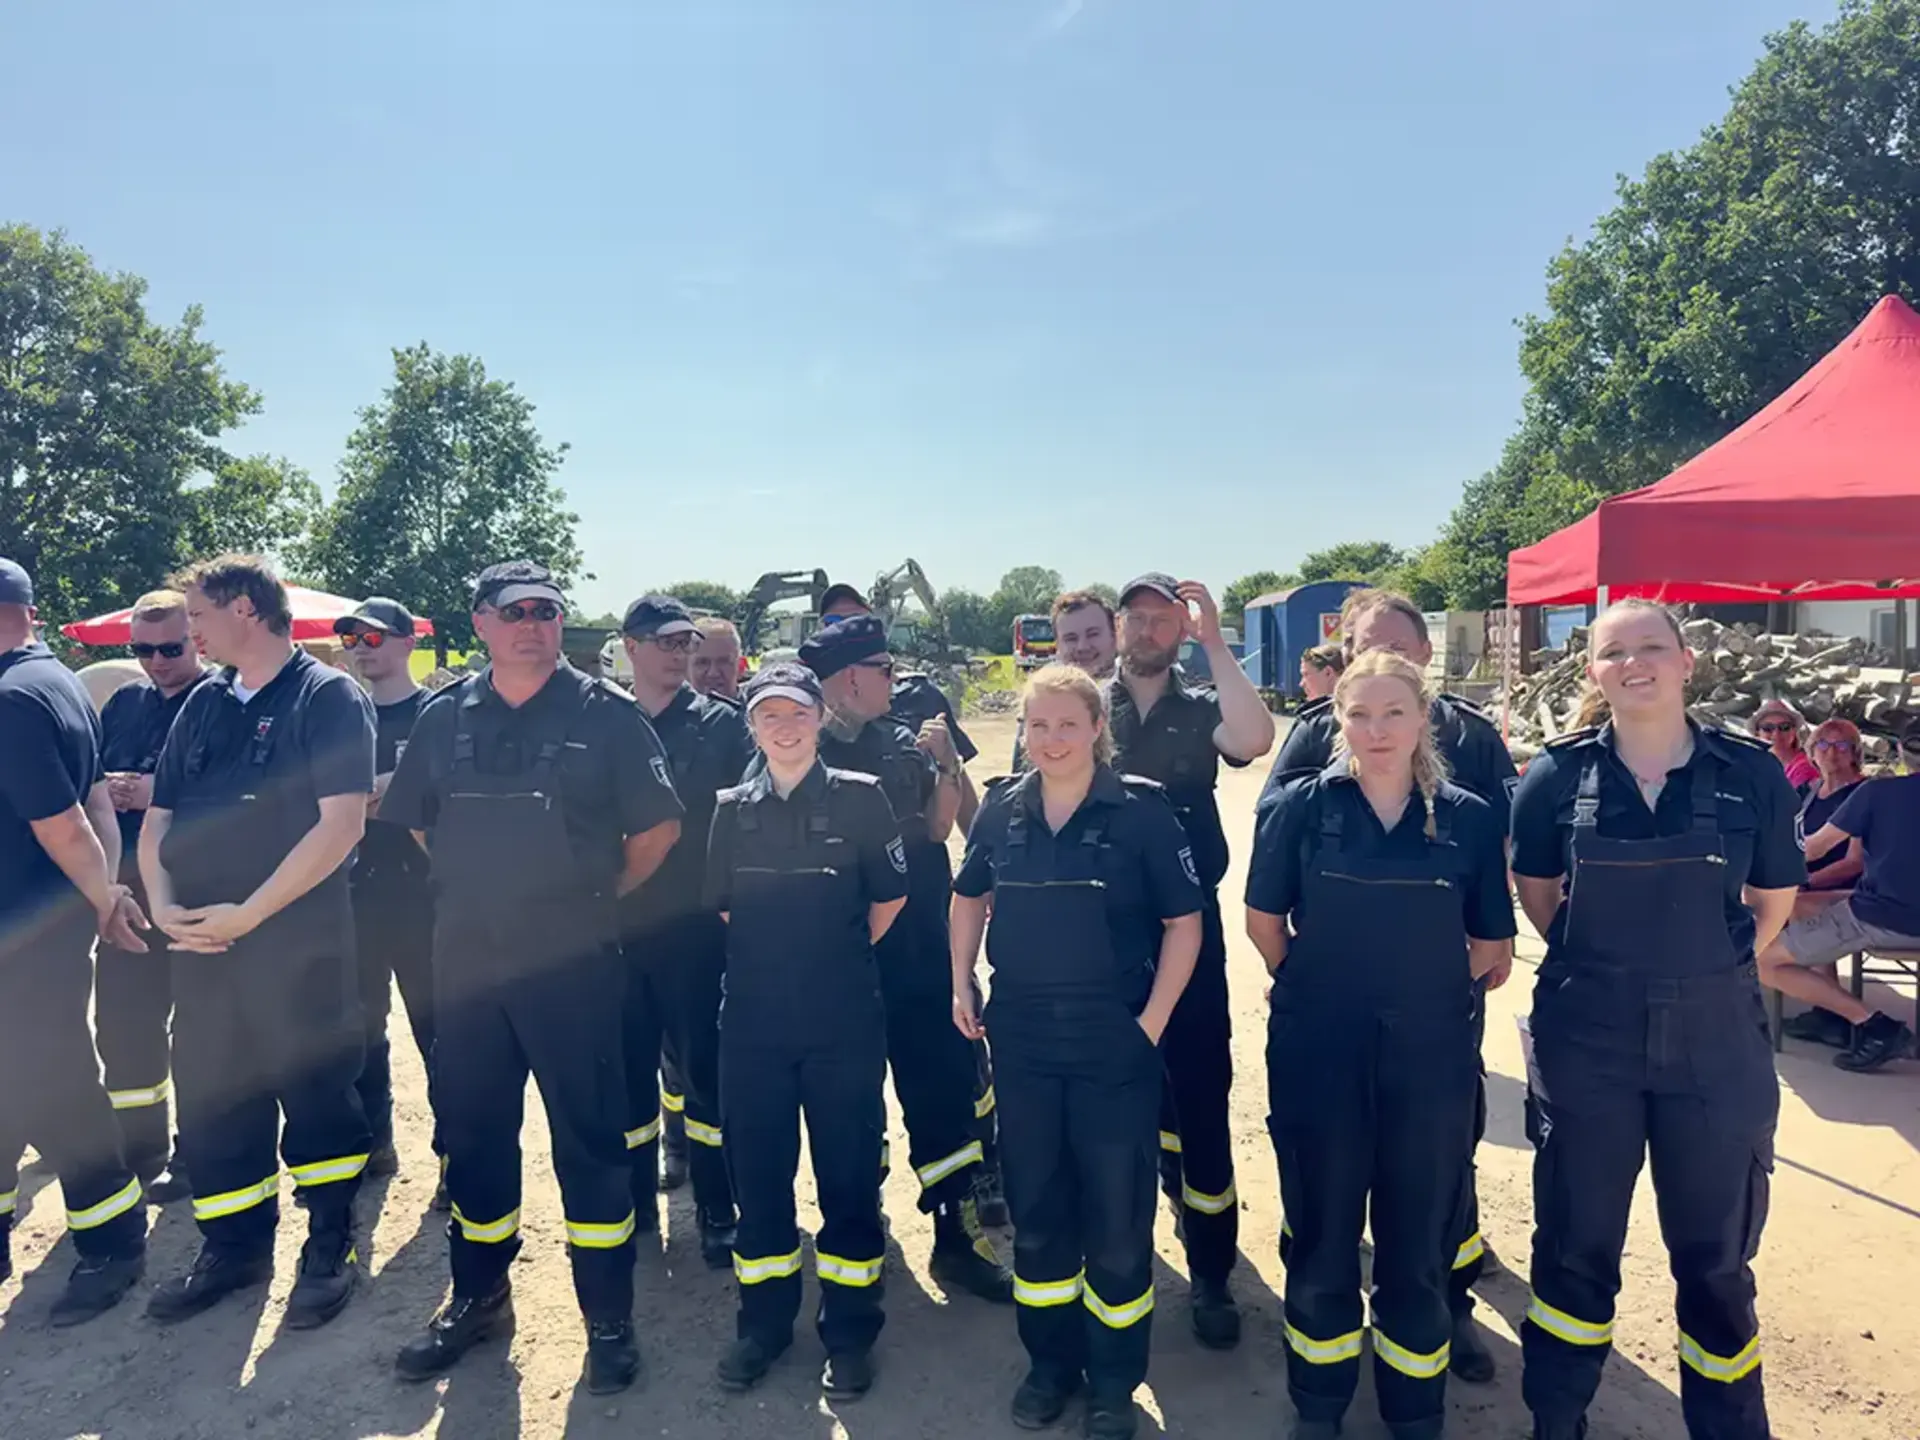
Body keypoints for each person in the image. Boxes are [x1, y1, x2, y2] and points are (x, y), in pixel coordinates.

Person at [381, 561, 683, 1394]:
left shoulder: (608, 718)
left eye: (547, 611)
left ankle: (608, 1318)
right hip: (470, 966)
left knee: (590, 1142)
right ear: (480, 622)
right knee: (473, 1135)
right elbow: (417, 828)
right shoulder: (444, 719)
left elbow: (656, 831)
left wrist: (589, 898)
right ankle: (478, 1299)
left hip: (572, 965)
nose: (534, 624)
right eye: (515, 611)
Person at [1511, 598, 1802, 1440]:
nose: (1633, 664)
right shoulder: (1554, 778)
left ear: (1685, 661)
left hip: (1715, 1048)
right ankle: (1557, 1420)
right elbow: (1540, 902)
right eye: (1613, 653)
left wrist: (1699, 970)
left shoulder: (1750, 775)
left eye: (1650, 647)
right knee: (1574, 1250)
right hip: (1588, 1041)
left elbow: (1772, 904)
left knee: (1715, 1264)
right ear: (1593, 672)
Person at [1247, 651, 1515, 1440]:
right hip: (1319, 1052)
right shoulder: (1298, 808)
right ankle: (1320, 1409)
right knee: (1324, 1233)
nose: (1376, 729)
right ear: (1339, 722)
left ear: (1424, 718)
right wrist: (1321, 989)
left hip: (1427, 1059)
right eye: (1359, 714)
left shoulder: (1466, 816)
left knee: (1417, 1239)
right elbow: (1266, 925)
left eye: (1394, 712)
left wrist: (1418, 995)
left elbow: (1490, 945)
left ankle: (1413, 1410)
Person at [951, 666, 1203, 1440]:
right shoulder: (1000, 808)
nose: (1051, 740)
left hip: (1112, 1045)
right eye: (1037, 726)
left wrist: (1151, 1023)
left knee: (1117, 1221)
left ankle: (1115, 1383)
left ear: (1098, 727)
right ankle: (1051, 1366)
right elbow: (967, 896)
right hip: (1024, 1042)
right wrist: (959, 979)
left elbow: (1184, 924)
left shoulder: (1141, 814)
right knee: (1038, 1215)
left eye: (1067, 724)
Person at [138, 554, 377, 1329]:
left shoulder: (327, 695)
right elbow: (162, 816)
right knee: (213, 1097)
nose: (189, 632)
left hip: (294, 941)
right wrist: (165, 903)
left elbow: (340, 824)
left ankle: (328, 1240)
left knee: (315, 1093)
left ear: (244, 608)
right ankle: (233, 1247)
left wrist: (250, 914)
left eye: (198, 617)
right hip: (203, 945)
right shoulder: (204, 702)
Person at [794, 616, 1013, 1299]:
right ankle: (866, 1232)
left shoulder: (900, 738)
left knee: (942, 1092)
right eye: (885, 669)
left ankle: (956, 1238)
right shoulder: (800, 748)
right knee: (853, 1106)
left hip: (920, 945)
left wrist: (944, 758)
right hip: (843, 958)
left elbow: (940, 825)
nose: (897, 680)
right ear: (850, 677)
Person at [707, 662, 907, 1399]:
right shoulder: (731, 808)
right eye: (768, 715)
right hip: (754, 1026)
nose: (784, 727)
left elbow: (886, 903)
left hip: (841, 1023)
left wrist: (826, 960)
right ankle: (763, 1326)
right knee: (758, 1186)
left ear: (819, 718)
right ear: (752, 727)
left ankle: (851, 1332)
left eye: (796, 713)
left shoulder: (862, 799)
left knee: (848, 1181)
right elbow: (726, 909)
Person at [1107, 573, 1274, 1348]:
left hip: (1188, 926)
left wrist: (1216, 642)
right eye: (1136, 618)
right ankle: (1123, 1260)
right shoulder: (1084, 706)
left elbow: (1253, 740)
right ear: (1117, 627)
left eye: (1162, 620)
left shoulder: (1202, 705)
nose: (1147, 630)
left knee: (1200, 1093)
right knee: (1115, 1102)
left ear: (1179, 631)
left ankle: (1210, 1271)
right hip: (1101, 933)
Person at [0, 557, 150, 1323]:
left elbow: (61, 822)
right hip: (37, 925)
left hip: (25, 932)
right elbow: (92, 795)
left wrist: (105, 899)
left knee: (55, 1084)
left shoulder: (15, 699)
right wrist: (103, 891)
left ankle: (114, 1239)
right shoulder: (58, 680)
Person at [617, 595, 750, 1267]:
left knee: (705, 1075)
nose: (678, 653)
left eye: (684, 642)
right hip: (616, 930)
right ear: (630, 646)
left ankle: (716, 1206)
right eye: (663, 641)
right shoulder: (601, 722)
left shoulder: (725, 728)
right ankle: (636, 1201)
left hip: (699, 930)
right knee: (626, 1074)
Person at [96, 589, 210, 1203]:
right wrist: (107, 790)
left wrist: (154, 793)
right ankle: (141, 1150)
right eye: (143, 649)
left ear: (197, 638)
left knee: (198, 1029)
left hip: (194, 886)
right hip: (126, 887)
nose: (157, 661)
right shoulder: (126, 702)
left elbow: (243, 796)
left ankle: (199, 1152)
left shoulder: (220, 700)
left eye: (171, 648)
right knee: (123, 1024)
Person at [332, 597, 440, 1197]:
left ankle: (455, 1150)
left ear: (406, 643)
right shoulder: (341, 716)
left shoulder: (436, 713)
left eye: (372, 639)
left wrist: (393, 792)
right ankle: (374, 1139)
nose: (360, 651)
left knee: (438, 1027)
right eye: (351, 640)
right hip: (355, 890)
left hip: (422, 893)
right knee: (360, 1028)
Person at [1757, 717, 1920, 1073]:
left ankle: (1872, 1024)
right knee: (1804, 905)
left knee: (1764, 961)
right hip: (1885, 905)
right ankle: (1830, 1014)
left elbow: (1814, 849)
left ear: (1899, 752)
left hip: (1885, 916)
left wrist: (1758, 857)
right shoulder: (1837, 791)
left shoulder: (1877, 792)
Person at [1776, 718, 1868, 1047]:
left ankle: (1831, 1013)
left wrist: (1805, 880)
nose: (1832, 752)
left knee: (1799, 906)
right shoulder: (1811, 791)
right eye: (1824, 744)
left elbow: (1854, 861)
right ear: (1812, 751)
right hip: (1805, 879)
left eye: (1841, 745)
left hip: (1848, 886)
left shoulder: (1863, 793)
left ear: (1854, 753)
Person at [1009, 589, 1120, 772]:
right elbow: (1022, 776)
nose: (1083, 646)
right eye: (1071, 638)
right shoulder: (1041, 698)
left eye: (1093, 634)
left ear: (1114, 634)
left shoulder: (1139, 694)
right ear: (1058, 645)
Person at [1751, 698, 1817, 792]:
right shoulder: (1752, 765)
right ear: (1757, 733)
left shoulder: (1806, 767)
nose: (1776, 734)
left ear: (1794, 731)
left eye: (1784, 727)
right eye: (1768, 728)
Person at [690, 616, 744, 702]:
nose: (713, 673)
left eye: (723, 662)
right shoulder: (666, 712)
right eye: (702, 662)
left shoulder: (759, 713)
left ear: (741, 666)